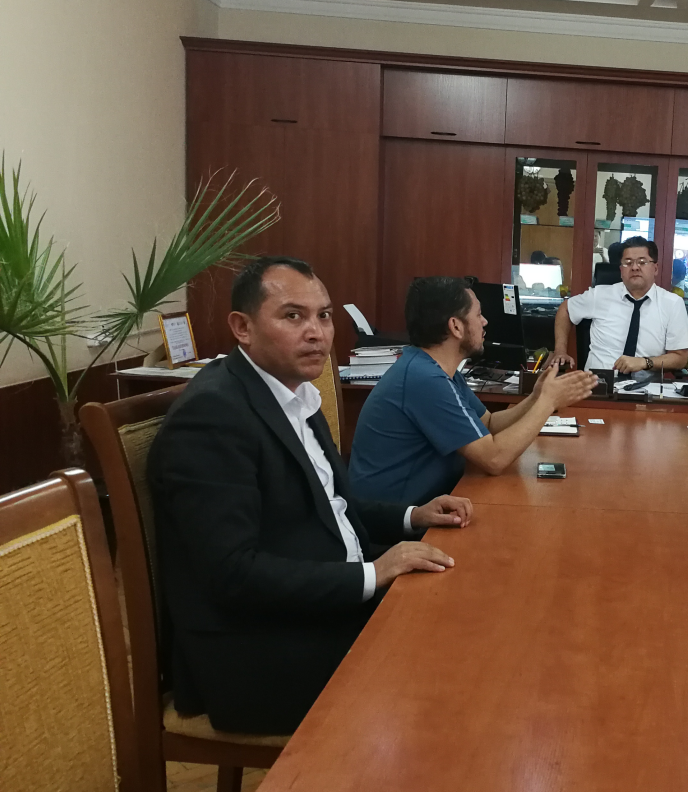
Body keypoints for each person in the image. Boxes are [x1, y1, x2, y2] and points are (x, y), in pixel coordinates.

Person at [149, 257, 471, 734]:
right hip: (261, 652)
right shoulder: (213, 415)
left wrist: (412, 516)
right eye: (292, 316)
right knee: (456, 673)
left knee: (471, 603)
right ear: (242, 327)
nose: (317, 333)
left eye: (324, 315)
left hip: (324, 602)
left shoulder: (294, 392)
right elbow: (232, 574)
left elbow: (328, 505)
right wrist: (372, 573)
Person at [350, 276, 598, 505]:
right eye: (478, 315)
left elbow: (488, 424)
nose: (484, 322)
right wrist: (547, 402)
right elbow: (494, 459)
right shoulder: (424, 379)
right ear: (456, 327)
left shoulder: (438, 369)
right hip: (394, 519)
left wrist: (536, 397)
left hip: (434, 501)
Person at [548, 236, 688, 373]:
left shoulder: (672, 304)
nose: (635, 267)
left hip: (645, 386)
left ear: (656, 268)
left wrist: (645, 362)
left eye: (642, 262)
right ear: (621, 270)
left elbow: (680, 358)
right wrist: (559, 351)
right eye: (628, 262)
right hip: (597, 383)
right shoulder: (600, 295)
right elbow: (566, 309)